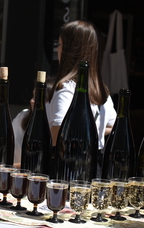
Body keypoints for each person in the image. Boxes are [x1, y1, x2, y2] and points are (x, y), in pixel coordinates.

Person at [47, 20, 116, 150]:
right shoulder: (100, 89)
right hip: (94, 163)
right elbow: (112, 125)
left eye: (60, 44)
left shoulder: (66, 89)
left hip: (69, 166)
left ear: (71, 51)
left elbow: (57, 137)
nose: (57, 49)